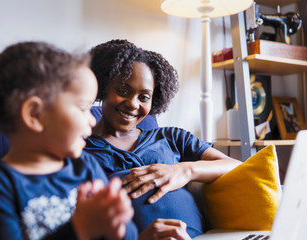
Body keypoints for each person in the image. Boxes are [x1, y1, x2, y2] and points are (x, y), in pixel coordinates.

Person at [0, 41, 137, 240]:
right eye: (83, 107)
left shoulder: (86, 166)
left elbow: (129, 234)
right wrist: (80, 229)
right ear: (36, 115)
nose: (92, 120)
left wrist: (117, 224)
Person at [84, 39, 241, 238]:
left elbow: (236, 166)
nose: (133, 104)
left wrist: (183, 170)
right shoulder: (80, 149)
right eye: (123, 91)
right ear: (103, 86)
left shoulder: (171, 137)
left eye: (144, 97)